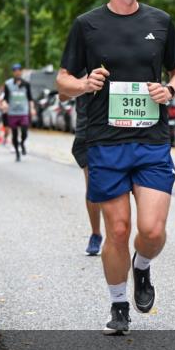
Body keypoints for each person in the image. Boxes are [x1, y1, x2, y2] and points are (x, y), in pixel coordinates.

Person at [57, 0, 175, 335]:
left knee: (150, 230)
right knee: (116, 231)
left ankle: (142, 268)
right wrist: (83, 83)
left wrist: (170, 89)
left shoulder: (161, 22)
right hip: (105, 142)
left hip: (151, 140)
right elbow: (62, 82)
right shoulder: (87, 25)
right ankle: (118, 306)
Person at [66, 90, 103, 255]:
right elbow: (62, 94)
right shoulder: (80, 66)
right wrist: (83, 83)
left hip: (118, 131)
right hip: (87, 133)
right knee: (93, 185)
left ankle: (121, 233)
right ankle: (96, 233)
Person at [0, 63, 35, 162]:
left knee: (24, 132)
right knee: (14, 134)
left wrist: (32, 108)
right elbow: (6, 98)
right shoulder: (8, 84)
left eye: (19, 70)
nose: (17, 72)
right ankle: (17, 153)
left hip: (23, 112)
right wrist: (4, 104)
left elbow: (30, 98)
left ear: (21, 72)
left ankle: (22, 143)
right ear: (13, 72)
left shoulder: (26, 84)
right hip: (12, 113)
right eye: (15, 71)